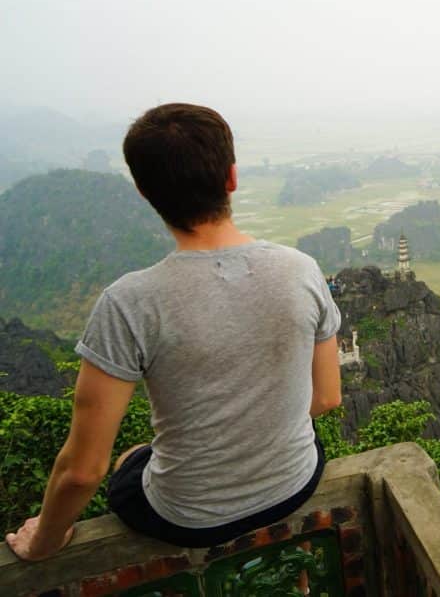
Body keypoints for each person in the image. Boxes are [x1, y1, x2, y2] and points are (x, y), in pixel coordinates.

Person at [6, 103, 342, 560]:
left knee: (130, 461)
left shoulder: (129, 303)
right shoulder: (302, 270)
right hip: (295, 483)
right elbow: (326, 399)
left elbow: (84, 471)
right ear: (232, 178)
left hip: (188, 518)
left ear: (144, 193)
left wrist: (42, 541)